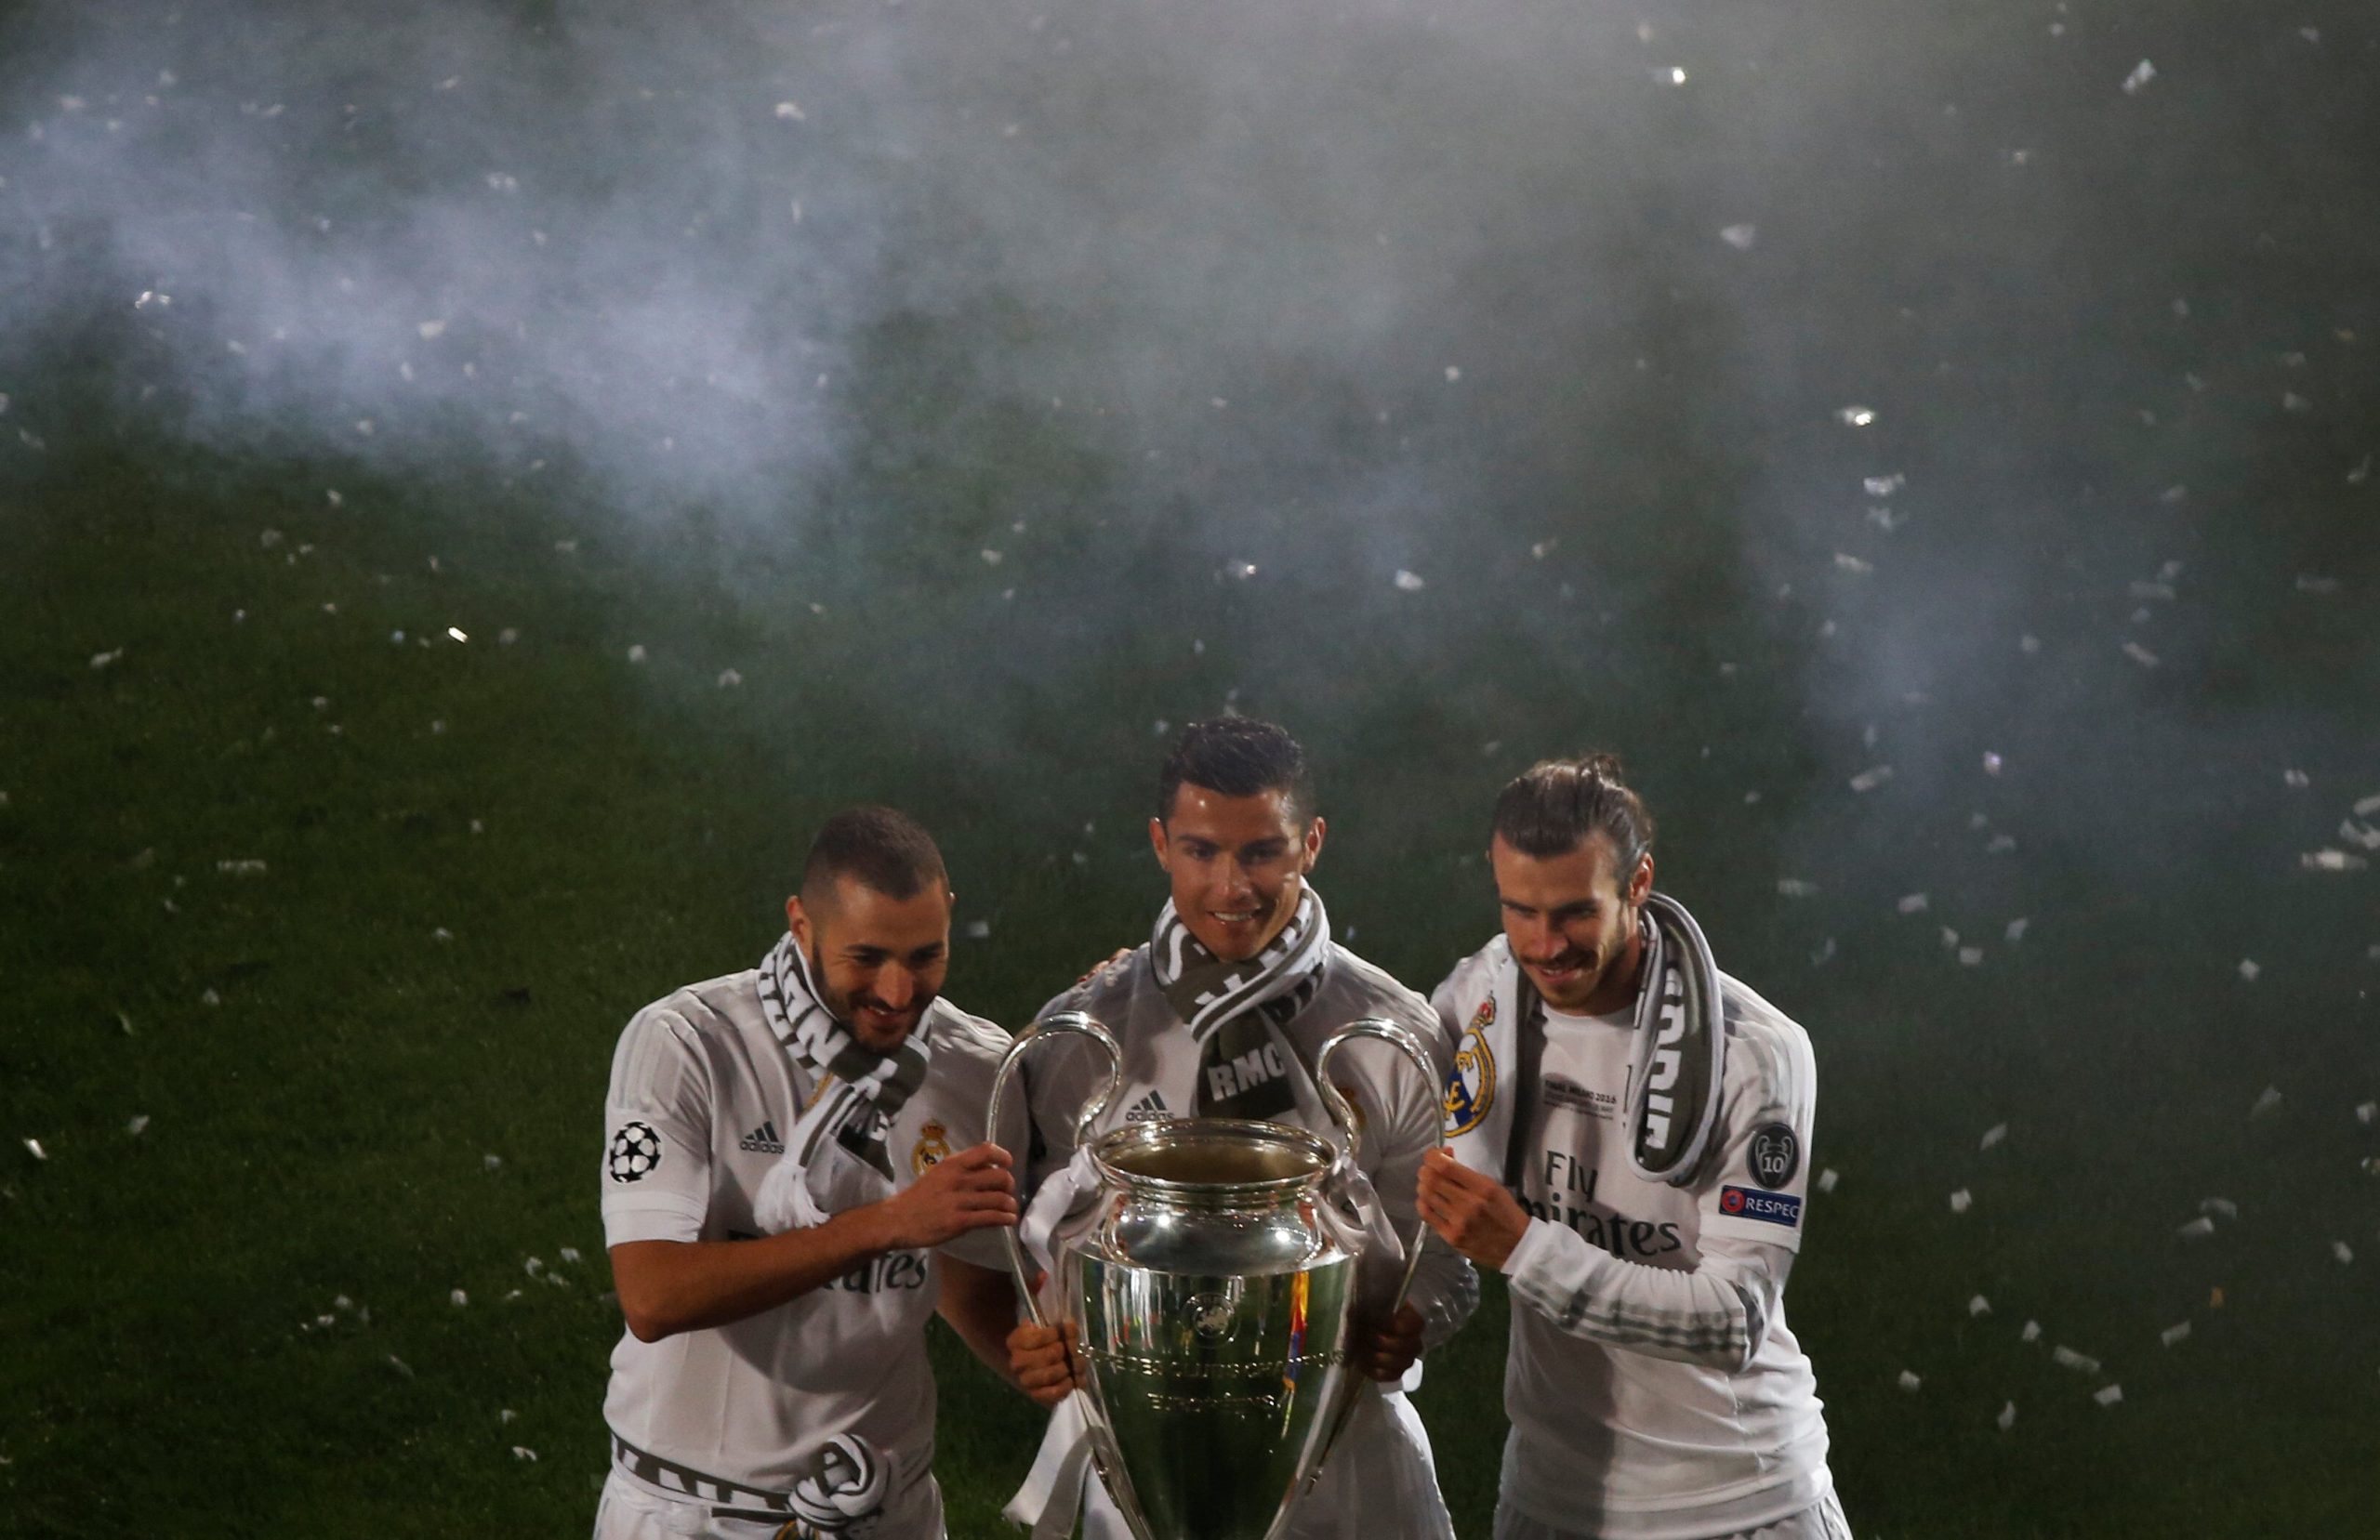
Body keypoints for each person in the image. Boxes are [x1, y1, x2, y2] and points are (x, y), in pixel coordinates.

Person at [1004, 717, 1476, 1540]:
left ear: (1311, 843)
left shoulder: (1393, 1034)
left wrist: (1413, 1320)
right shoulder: (1085, 1034)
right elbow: (1046, 1251)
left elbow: (1444, 1265)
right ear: (1160, 843)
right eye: (1201, 851)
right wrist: (1041, 1332)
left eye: (1262, 852)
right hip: (1144, 1470)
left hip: (1342, 1464)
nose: (1232, 887)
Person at [1415, 756, 1847, 1540]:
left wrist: (1525, 1248)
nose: (1545, 944)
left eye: (1575, 913)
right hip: (1549, 1498)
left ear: (1639, 881)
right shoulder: (1481, 994)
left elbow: (1732, 1317)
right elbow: (1388, 1119)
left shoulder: (1755, 1052)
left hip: (1737, 1502)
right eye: (1520, 910)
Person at [595, 806, 1025, 1540]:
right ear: (802, 925)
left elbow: (962, 1276)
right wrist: (888, 1224)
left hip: (890, 1513)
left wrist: (1048, 1367)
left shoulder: (978, 1067)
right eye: (867, 957)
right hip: (695, 1515)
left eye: (924, 955)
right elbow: (654, 1293)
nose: (897, 992)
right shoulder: (687, 1044)